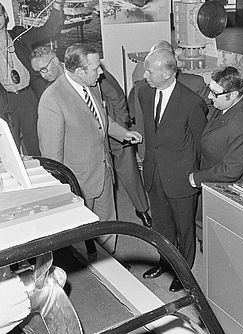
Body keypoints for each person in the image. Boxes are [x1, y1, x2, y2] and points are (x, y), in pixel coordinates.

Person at [31, 46, 152, 228]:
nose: (101, 71)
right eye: (96, 68)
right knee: (85, 236)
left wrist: (123, 133)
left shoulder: (91, 85)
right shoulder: (52, 100)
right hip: (81, 182)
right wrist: (64, 191)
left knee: (109, 227)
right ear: (80, 72)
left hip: (104, 170)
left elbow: (100, 118)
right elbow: (52, 157)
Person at [137, 48, 207, 292]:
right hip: (154, 173)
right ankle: (165, 262)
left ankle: (183, 271)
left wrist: (196, 177)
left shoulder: (192, 102)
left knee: (184, 228)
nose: (144, 75)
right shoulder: (144, 92)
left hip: (181, 177)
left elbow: (201, 144)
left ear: (168, 73)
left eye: (150, 71)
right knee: (161, 225)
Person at [0, 1, 65, 155]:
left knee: (36, 144)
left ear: (5, 15)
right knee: (9, 148)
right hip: (5, 101)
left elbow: (49, 29)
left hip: (28, 96)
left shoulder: (20, 36)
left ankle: (44, 173)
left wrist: (57, 6)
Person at [189, 66, 243, 187]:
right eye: (210, 90)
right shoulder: (232, 101)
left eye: (215, 93)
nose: (209, 97)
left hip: (230, 189)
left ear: (233, 94)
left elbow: (231, 170)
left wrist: (197, 178)